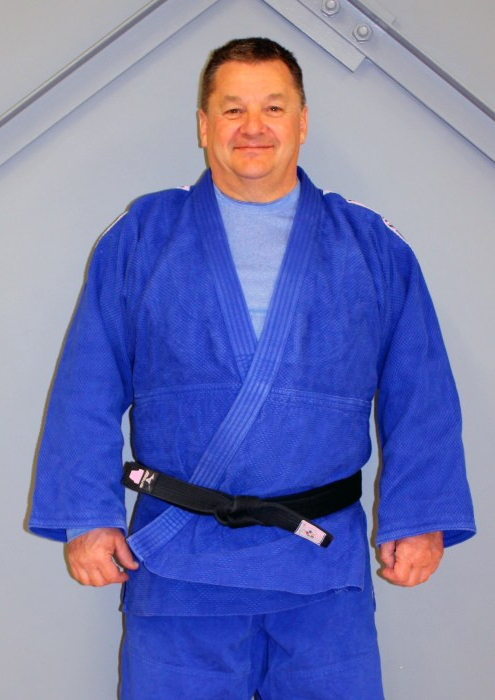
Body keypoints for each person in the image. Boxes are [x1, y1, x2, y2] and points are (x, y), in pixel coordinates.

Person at [29, 37, 475, 699]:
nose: (253, 126)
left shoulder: (371, 246)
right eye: (232, 109)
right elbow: (86, 386)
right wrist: (87, 516)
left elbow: (421, 393)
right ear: (204, 124)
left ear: (302, 120)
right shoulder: (143, 236)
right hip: (180, 561)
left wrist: (420, 516)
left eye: (273, 106)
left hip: (319, 566)